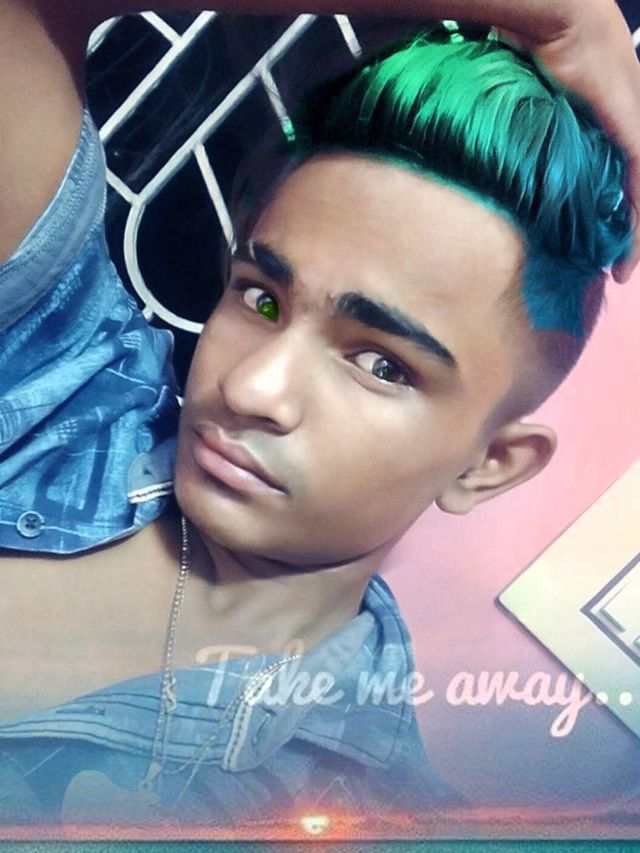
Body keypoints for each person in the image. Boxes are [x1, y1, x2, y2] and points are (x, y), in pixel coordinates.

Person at [0, 0, 638, 832]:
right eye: (261, 298)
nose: (251, 388)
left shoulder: (372, 822)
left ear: (491, 465)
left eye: (380, 364)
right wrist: (560, 15)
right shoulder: (62, 370)